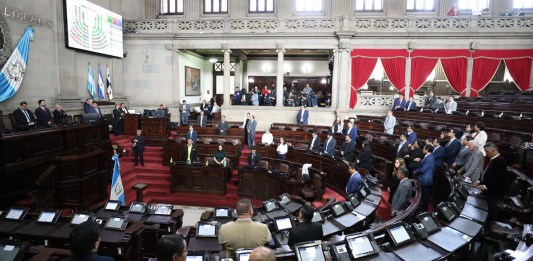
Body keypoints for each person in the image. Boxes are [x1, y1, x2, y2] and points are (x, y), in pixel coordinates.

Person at [474, 143, 509, 221]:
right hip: (487, 191)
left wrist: (486, 186)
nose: (486, 154)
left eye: (487, 152)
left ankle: (490, 227)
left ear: (493, 150)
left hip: (493, 192)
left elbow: (500, 180)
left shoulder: (500, 161)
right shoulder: (493, 160)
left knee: (491, 211)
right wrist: (479, 180)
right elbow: (486, 173)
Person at [414, 144, 435, 213]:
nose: (422, 150)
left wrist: (416, 171)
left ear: (427, 150)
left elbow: (423, 169)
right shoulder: (428, 156)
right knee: (423, 195)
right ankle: (422, 209)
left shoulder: (429, 158)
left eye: (424, 148)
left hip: (425, 180)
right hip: (425, 179)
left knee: (425, 196)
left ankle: (424, 210)